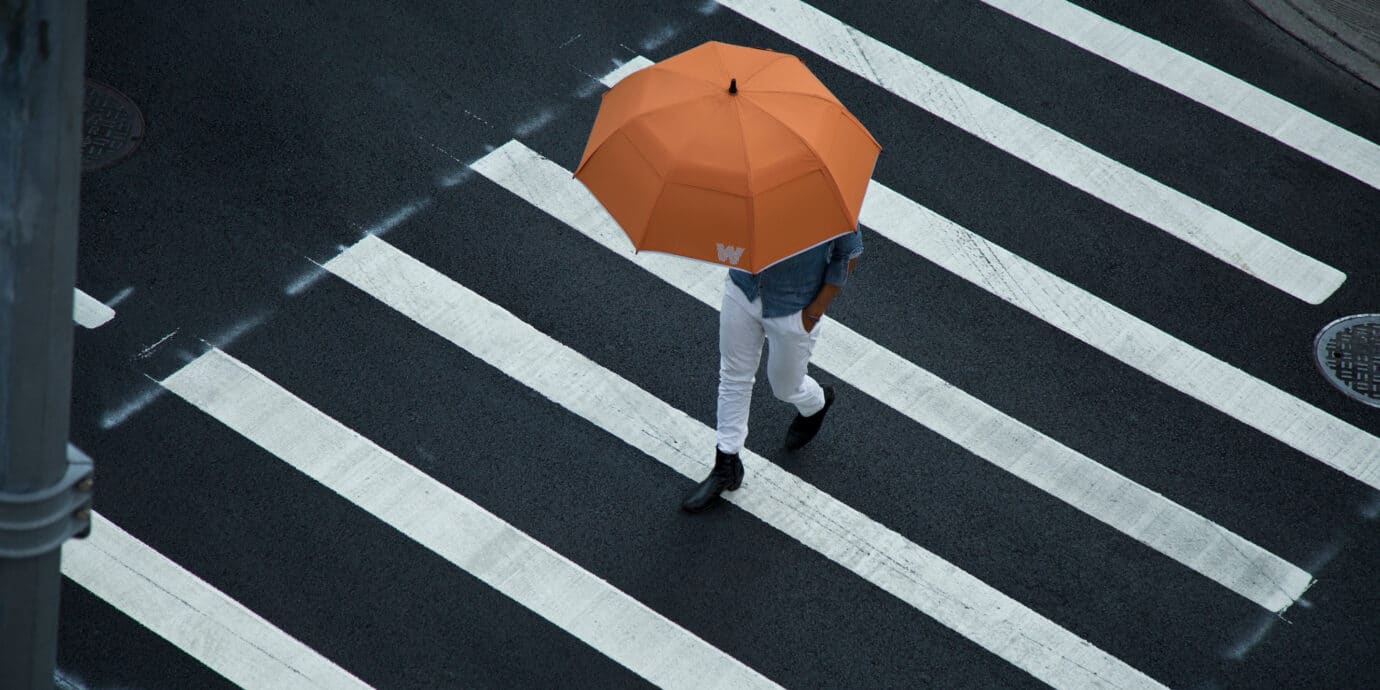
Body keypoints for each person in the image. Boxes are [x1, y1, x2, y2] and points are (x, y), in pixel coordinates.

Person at [682, 229, 863, 513]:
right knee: (733, 375)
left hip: (795, 308)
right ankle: (726, 464)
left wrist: (814, 311)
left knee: (784, 387)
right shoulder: (747, 183)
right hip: (743, 288)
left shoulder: (825, 195)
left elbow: (850, 252)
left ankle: (816, 402)